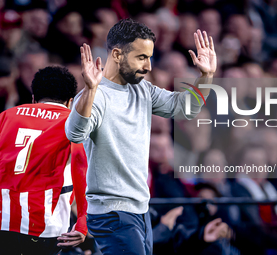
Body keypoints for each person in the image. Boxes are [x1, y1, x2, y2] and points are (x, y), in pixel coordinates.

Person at [65, 18, 216, 255]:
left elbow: (186, 108)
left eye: (150, 57)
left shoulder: (143, 90)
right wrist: (91, 90)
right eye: (141, 57)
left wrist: (206, 76)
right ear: (116, 54)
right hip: (111, 213)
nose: (149, 66)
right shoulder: (96, 95)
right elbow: (74, 133)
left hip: (140, 210)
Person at [0, 66, 88, 255]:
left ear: (33, 98)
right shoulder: (72, 123)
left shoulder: (5, 117)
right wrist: (82, 220)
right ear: (71, 102)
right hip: (44, 231)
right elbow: (82, 171)